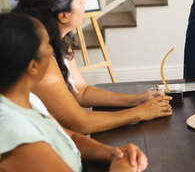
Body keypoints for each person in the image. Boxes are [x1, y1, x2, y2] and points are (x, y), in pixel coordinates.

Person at [13, 0, 172, 134]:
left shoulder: (61, 41)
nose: (84, 4)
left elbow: (81, 92)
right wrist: (141, 113)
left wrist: (136, 100)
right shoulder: (41, 62)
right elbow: (81, 124)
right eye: (80, 0)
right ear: (63, 16)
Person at [0, 12, 148, 172]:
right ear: (33, 67)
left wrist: (113, 153)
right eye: (47, 45)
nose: (51, 50)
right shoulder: (16, 132)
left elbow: (69, 137)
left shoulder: (27, 99)